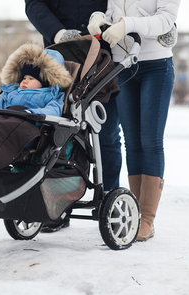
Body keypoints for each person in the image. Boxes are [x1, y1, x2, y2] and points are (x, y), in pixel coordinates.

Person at [25, 0, 123, 233]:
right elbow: (34, 5)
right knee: (60, 134)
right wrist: (58, 32)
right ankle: (57, 206)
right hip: (61, 57)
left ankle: (110, 202)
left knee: (107, 134)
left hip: (101, 59)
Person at [88, 0, 181, 241]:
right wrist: (99, 17)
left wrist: (126, 25)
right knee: (132, 141)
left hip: (156, 65)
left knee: (150, 141)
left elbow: (165, 19)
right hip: (124, 64)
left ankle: (147, 219)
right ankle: (134, 213)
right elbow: (112, 11)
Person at [0, 43, 73, 117]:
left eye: (31, 78)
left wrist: (31, 113)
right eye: (24, 78)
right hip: (4, 122)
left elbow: (53, 111)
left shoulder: (50, 96)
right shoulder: (13, 93)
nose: (25, 81)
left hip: (27, 127)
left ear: (45, 82)